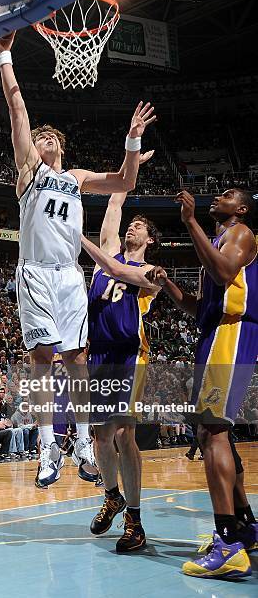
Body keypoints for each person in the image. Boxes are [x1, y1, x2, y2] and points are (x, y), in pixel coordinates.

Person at [0, 30, 156, 487]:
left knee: (79, 358)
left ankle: (82, 442)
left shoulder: (78, 177)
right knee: (43, 356)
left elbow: (124, 182)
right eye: (37, 136)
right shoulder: (29, 171)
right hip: (36, 274)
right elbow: (17, 109)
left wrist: (130, 140)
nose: (41, 137)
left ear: (59, 145)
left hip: (69, 276)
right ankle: (47, 449)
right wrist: (5, 55)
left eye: (48, 136)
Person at [146, 188, 258, 579]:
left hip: (231, 334)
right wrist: (168, 287)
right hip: (214, 332)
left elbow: (225, 272)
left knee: (212, 431)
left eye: (228, 195)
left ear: (240, 208)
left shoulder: (240, 232)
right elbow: (199, 307)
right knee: (215, 432)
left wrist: (190, 221)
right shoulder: (217, 241)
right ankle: (244, 525)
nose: (219, 197)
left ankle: (227, 542)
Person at [80, 189, 162, 551]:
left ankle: (135, 520)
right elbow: (114, 204)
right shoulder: (105, 257)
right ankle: (112, 496)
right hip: (99, 355)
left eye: (140, 225)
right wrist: (131, 153)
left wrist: (75, 236)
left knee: (125, 434)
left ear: (151, 240)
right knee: (101, 436)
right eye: (132, 224)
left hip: (130, 355)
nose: (133, 227)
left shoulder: (149, 273)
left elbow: (117, 270)